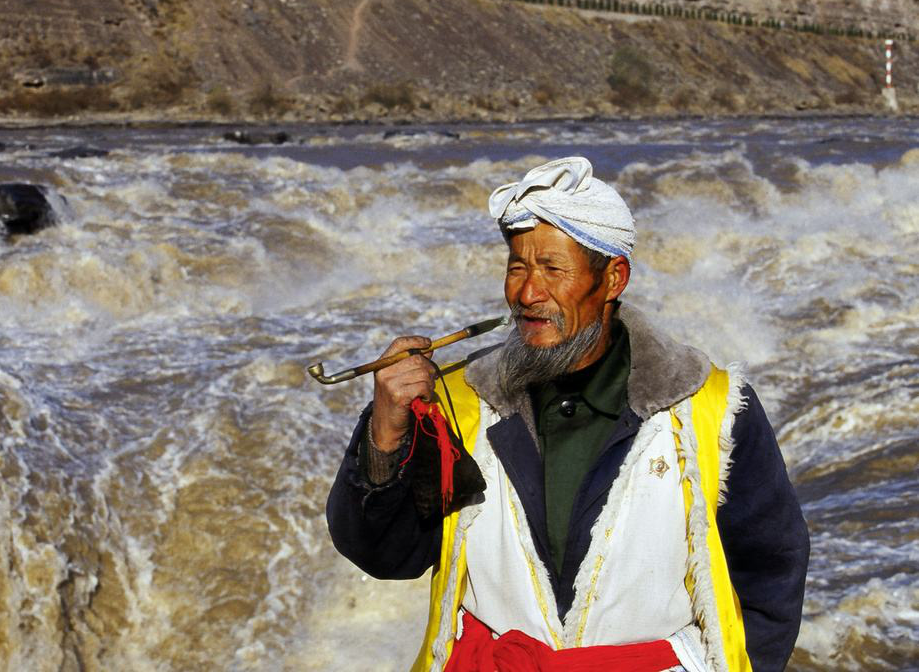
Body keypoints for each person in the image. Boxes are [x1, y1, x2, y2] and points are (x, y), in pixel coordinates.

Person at [326, 157, 809, 672]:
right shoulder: (461, 405)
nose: (527, 293)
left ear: (613, 279)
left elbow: (771, 572)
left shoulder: (709, 408)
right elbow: (387, 556)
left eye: (553, 270)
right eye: (517, 267)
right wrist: (386, 432)